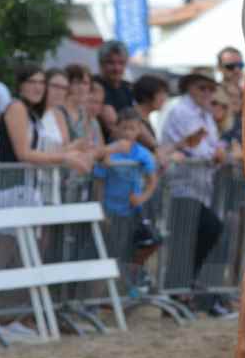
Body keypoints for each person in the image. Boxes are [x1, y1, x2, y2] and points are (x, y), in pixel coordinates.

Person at [160, 72, 228, 301]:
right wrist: (215, 154)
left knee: (197, 235)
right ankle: (178, 288)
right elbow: (197, 149)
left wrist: (217, 154)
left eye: (211, 88)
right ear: (189, 87)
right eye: (202, 88)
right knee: (200, 232)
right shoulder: (181, 111)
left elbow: (212, 147)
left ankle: (182, 287)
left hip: (200, 186)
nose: (208, 93)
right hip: (181, 185)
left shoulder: (205, 115)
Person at [96, 107, 162, 292]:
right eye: (123, 128)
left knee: (146, 243)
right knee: (111, 252)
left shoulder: (142, 154)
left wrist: (141, 198)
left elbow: (152, 181)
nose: (127, 132)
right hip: (111, 209)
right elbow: (99, 183)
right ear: (116, 129)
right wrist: (101, 210)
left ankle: (129, 282)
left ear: (139, 130)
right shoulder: (109, 152)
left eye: (132, 128)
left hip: (131, 211)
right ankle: (108, 292)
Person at [98, 40, 135, 138]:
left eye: (121, 63)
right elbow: (113, 125)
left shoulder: (127, 87)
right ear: (101, 64)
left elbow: (138, 121)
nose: (116, 68)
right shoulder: (96, 86)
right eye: (111, 63)